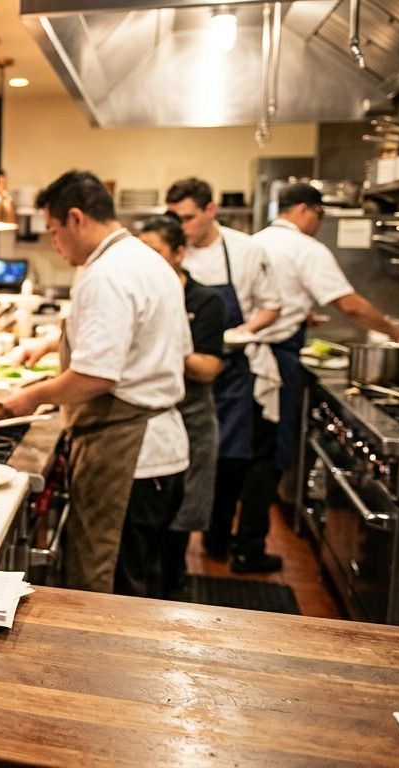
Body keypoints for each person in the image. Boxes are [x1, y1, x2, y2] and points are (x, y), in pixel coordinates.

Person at [1, 171, 190, 597]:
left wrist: (32, 396)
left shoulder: (107, 273)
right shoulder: (147, 261)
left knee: (110, 593)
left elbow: (96, 376)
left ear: (76, 218)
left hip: (129, 457)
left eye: (54, 231)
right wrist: (53, 346)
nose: (55, 244)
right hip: (159, 455)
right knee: (139, 586)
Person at [235, 183, 399, 573]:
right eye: (319, 216)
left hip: (244, 360)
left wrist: (299, 315)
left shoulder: (254, 241)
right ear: (306, 209)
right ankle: (249, 548)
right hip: (276, 361)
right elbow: (350, 305)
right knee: (270, 456)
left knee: (244, 451)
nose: (318, 224)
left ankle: (223, 540)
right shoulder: (307, 248)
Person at [164, 178, 281, 567]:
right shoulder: (172, 253)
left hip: (235, 371)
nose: (181, 227)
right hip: (186, 372)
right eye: (174, 218)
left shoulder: (246, 250)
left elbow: (271, 305)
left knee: (231, 460)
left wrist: (240, 332)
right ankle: (182, 537)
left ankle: (218, 539)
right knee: (188, 458)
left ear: (210, 210)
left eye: (188, 218)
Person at [136, 215, 225, 597]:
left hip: (192, 420)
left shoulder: (206, 301)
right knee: (149, 531)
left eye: (154, 252)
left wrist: (165, 347)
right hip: (150, 420)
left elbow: (208, 368)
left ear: (178, 253)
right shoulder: (142, 294)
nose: (147, 260)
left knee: (178, 526)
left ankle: (173, 597)